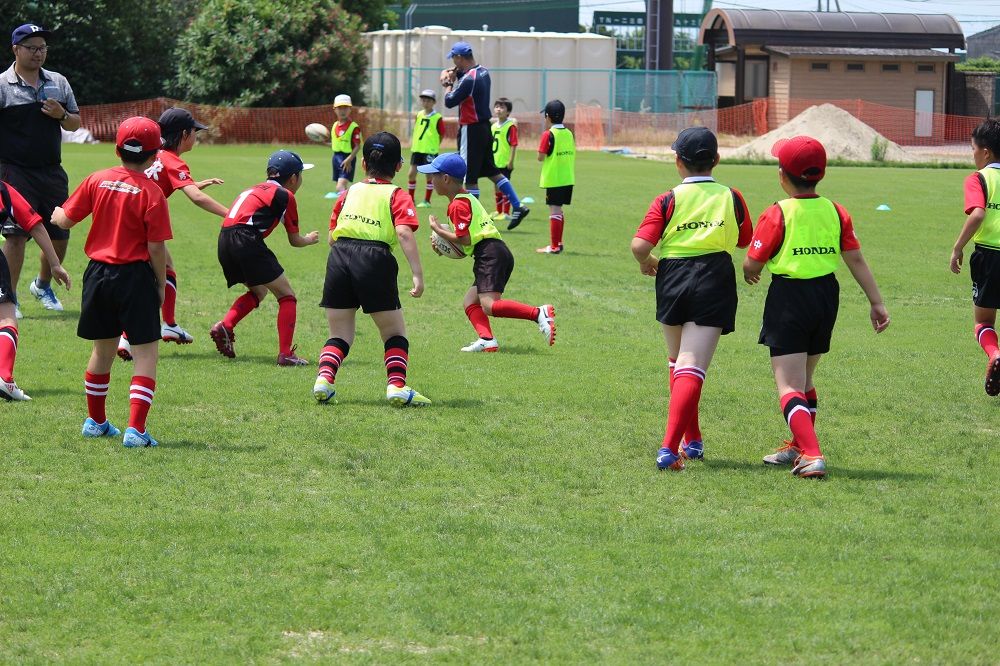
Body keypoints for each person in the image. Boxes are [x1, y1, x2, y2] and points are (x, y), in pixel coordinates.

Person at [743, 135, 890, 479]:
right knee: (805, 379)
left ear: (782, 174)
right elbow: (855, 258)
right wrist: (876, 302)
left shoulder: (778, 212)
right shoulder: (836, 211)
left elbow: (752, 262)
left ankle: (812, 453)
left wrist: (750, 271)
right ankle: (798, 446)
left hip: (789, 298)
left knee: (788, 386)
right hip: (825, 296)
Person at [631, 127, 752, 471]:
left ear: (677, 162)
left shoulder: (667, 199)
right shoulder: (732, 196)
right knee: (691, 365)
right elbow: (745, 240)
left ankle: (693, 440)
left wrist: (647, 262)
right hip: (714, 276)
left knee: (678, 362)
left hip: (672, 276)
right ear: (717, 159)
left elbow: (639, 246)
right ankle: (669, 449)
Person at [50, 117, 171, 447]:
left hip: (98, 275)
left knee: (102, 351)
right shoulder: (152, 193)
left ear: (117, 150)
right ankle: (136, 430)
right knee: (145, 354)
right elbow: (156, 247)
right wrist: (161, 284)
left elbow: (64, 220)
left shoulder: (97, 179)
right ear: (154, 156)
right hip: (135, 277)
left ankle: (96, 421)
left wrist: (56, 213)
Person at [312, 132, 430, 408]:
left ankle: (324, 380)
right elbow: (403, 232)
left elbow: (331, 237)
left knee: (340, 333)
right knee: (393, 332)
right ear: (398, 166)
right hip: (374, 258)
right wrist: (417, 274)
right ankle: (397, 386)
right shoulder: (397, 195)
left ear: (363, 164)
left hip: (339, 256)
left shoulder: (348, 192)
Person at [117, 107, 229, 361]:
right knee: (146, 281)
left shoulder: (154, 154)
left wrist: (195, 183)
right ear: (184, 134)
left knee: (165, 269)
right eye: (195, 132)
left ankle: (168, 324)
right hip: (141, 225)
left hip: (126, 218)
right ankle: (127, 337)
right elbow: (196, 198)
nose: (196, 137)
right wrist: (231, 214)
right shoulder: (173, 160)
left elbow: (162, 181)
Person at [422, 153, 556, 353]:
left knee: (489, 305)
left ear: (446, 179)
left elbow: (465, 239)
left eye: (434, 175)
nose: (430, 180)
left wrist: (438, 230)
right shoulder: (465, 198)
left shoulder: (458, 205)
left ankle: (538, 313)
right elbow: (464, 245)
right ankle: (487, 339)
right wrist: (444, 248)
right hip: (493, 251)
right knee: (470, 301)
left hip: (489, 254)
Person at [209, 150, 319, 366]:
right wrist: (309, 239)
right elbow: (295, 240)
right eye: (301, 175)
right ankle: (286, 354)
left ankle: (226, 325)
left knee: (259, 291)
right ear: (293, 178)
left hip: (224, 240)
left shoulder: (252, 189)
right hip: (246, 239)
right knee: (287, 296)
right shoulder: (285, 196)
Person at [0, 23, 80, 318]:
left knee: (60, 232)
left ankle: (42, 285)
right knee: (16, 235)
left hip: (51, 171)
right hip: (13, 172)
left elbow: (75, 123)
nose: (38, 53)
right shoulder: (2, 85)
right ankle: (9, 297)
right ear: (16, 49)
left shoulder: (58, 82)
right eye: (32, 48)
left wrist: (62, 114)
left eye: (43, 48)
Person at [440, 41, 529, 229]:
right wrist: (456, 75)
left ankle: (475, 221)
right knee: (493, 172)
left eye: (454, 58)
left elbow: (449, 101)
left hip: (471, 129)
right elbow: (468, 83)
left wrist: (447, 83)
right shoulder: (483, 72)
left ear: (460, 58)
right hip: (484, 127)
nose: (453, 62)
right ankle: (517, 205)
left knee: (469, 177)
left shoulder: (468, 80)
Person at [0, 179, 71, 400]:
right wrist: (55, 264)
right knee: (6, 318)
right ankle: (4, 377)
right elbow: (35, 224)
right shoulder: (3, 189)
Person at [950, 118, 1000, 397]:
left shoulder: (978, 178)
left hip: (989, 256)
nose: (972, 154)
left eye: (973, 149)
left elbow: (978, 213)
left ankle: (995, 354)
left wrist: (958, 247)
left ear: (986, 152)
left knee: (984, 322)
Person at [536, 100, 576, 254]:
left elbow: (540, 157)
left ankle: (554, 247)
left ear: (547, 116)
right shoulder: (569, 133)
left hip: (554, 179)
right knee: (559, 210)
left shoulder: (548, 134)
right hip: (567, 178)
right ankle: (559, 243)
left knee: (554, 210)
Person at [408, 89, 444, 209]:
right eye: (423, 100)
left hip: (430, 151)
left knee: (429, 176)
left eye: (428, 100)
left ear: (433, 102)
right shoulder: (419, 114)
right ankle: (411, 199)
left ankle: (427, 201)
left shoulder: (437, 117)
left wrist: (435, 144)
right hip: (417, 149)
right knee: (411, 174)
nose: (425, 103)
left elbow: (442, 133)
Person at [491, 97, 518, 221]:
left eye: (502, 107)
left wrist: (510, 161)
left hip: (504, 162)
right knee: (496, 186)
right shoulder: (493, 126)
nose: (498, 109)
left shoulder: (510, 126)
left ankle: (506, 212)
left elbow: (513, 144)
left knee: (505, 187)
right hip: (494, 161)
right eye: (497, 107)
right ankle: (498, 211)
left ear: (508, 112)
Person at [331, 94, 361, 196]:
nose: (342, 111)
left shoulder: (354, 127)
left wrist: (349, 159)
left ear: (350, 109)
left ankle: (349, 200)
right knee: (341, 186)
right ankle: (349, 201)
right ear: (334, 109)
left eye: (345, 108)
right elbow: (336, 143)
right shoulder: (335, 125)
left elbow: (358, 146)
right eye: (340, 108)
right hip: (336, 158)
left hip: (347, 158)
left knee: (340, 186)